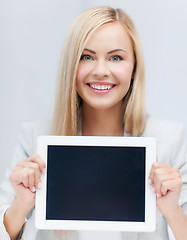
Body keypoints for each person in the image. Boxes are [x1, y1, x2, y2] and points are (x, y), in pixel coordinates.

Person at [0, 5, 187, 240]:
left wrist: (172, 211)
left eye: (115, 58)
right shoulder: (34, 137)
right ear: (71, 66)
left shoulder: (169, 140)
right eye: (86, 57)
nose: (100, 71)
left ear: (133, 68)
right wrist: (22, 204)